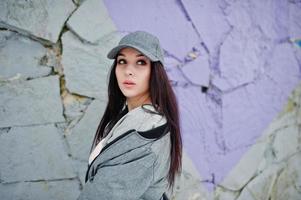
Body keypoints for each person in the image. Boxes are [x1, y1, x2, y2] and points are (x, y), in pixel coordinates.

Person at [77, 30, 182, 200]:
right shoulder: (130, 116)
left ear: (155, 72)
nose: (128, 71)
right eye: (122, 61)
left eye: (140, 62)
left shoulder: (145, 133)